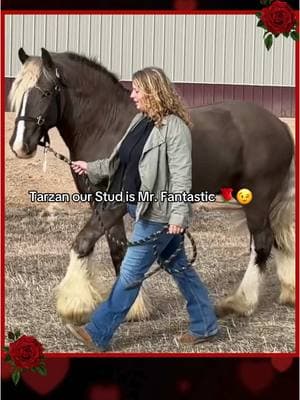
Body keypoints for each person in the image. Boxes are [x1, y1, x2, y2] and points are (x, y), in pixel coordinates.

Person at [69, 67, 218, 351]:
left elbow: (182, 175)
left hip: (158, 214)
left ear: (153, 92)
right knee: (181, 268)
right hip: (140, 207)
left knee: (129, 273)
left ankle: (98, 332)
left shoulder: (175, 128)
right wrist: (91, 167)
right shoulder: (140, 121)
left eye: (137, 90)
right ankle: (206, 324)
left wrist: (178, 215)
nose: (133, 95)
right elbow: (120, 162)